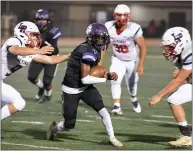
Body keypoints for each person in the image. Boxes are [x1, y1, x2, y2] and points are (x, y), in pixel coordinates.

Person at [46, 23, 123, 147]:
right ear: (90, 37)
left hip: (85, 88)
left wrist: (105, 74)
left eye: (103, 37)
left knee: (104, 111)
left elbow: (90, 74)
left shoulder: (93, 48)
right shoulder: (87, 50)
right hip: (71, 89)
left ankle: (112, 138)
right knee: (69, 125)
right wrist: (106, 78)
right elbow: (85, 79)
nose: (101, 40)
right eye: (98, 37)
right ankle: (54, 129)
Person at [1, 21, 69, 121]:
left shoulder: (29, 50)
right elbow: (15, 50)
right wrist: (39, 50)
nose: (35, 38)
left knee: (4, 105)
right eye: (33, 35)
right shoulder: (15, 41)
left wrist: (70, 56)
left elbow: (50, 60)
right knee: (18, 103)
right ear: (22, 33)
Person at [149, 27, 192, 147]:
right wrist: (185, 76)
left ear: (180, 44)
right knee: (174, 99)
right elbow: (184, 80)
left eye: (170, 46)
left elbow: (178, 81)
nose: (167, 50)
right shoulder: (180, 54)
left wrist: (159, 96)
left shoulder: (189, 52)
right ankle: (186, 136)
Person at [104, 4, 146, 115]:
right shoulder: (108, 27)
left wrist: (141, 65)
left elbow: (142, 46)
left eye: (124, 15)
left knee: (132, 85)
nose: (122, 18)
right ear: (114, 15)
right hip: (118, 59)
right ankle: (117, 105)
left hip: (132, 61)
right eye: (119, 15)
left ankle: (133, 99)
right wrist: (99, 61)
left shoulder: (134, 28)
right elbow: (104, 45)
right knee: (115, 80)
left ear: (129, 16)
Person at [27, 9, 62, 103]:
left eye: (43, 19)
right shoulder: (32, 29)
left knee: (47, 81)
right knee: (31, 77)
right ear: (36, 20)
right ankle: (41, 88)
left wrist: (43, 41)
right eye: (39, 19)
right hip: (39, 55)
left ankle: (48, 94)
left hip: (51, 57)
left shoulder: (53, 30)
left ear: (48, 20)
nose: (41, 21)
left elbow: (55, 50)